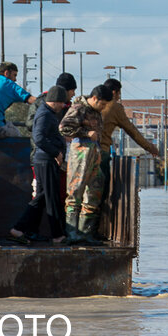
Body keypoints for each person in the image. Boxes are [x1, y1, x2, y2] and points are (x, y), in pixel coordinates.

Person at [8, 85, 71, 245]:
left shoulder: (46, 113)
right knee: (51, 197)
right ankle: (57, 235)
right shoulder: (45, 115)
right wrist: (56, 153)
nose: (64, 106)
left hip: (44, 159)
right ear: (56, 101)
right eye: (62, 102)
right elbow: (39, 137)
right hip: (46, 160)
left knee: (43, 196)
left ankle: (19, 229)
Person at [59, 85, 114, 245]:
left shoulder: (95, 111)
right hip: (81, 152)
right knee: (75, 191)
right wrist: (85, 133)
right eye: (102, 104)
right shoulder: (79, 108)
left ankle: (85, 234)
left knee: (93, 192)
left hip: (94, 153)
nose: (103, 107)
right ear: (95, 98)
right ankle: (72, 234)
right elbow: (64, 128)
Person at [98, 78, 160, 211]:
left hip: (82, 151)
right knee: (102, 190)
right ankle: (95, 226)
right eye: (119, 94)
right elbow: (132, 131)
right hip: (101, 152)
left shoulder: (91, 102)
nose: (119, 97)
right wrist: (150, 147)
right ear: (114, 92)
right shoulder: (114, 107)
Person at [26, 72, 77, 162]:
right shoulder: (41, 103)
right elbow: (30, 124)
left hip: (60, 155)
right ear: (65, 91)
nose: (74, 94)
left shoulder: (68, 106)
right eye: (72, 90)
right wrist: (56, 131)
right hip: (43, 154)